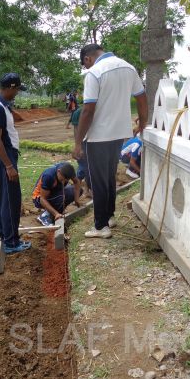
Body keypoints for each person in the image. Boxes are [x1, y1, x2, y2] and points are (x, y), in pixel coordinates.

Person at [73, 44, 148, 239]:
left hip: (97, 137)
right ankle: (109, 216)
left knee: (98, 182)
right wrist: (143, 123)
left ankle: (100, 226)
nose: (86, 68)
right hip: (118, 134)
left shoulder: (94, 73)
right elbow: (141, 97)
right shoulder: (128, 68)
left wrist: (78, 142)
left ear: (88, 59)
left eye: (85, 64)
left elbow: (88, 110)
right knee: (108, 177)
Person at [0, 73, 31, 254]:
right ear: (10, 88)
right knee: (11, 200)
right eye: (17, 89)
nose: (17, 93)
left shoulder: (1, 106)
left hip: (3, 156)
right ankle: (11, 242)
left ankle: (1, 235)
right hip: (4, 157)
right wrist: (9, 166)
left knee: (3, 198)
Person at [32, 162, 82, 226]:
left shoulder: (68, 170)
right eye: (62, 179)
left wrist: (76, 199)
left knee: (78, 191)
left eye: (66, 180)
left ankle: (57, 211)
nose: (64, 181)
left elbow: (76, 182)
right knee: (61, 197)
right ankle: (45, 216)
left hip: (55, 193)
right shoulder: (49, 176)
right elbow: (42, 199)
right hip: (38, 198)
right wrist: (56, 214)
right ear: (58, 171)